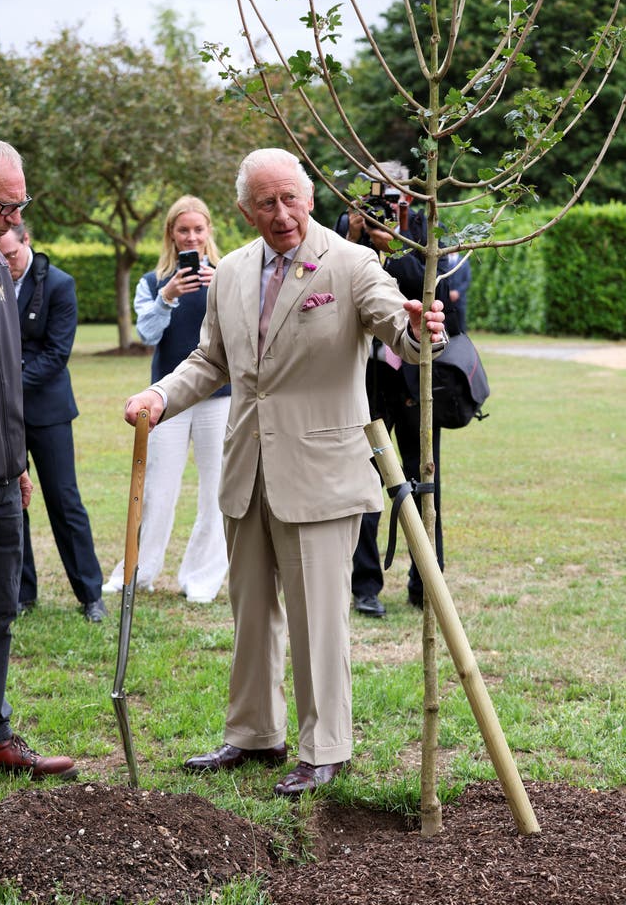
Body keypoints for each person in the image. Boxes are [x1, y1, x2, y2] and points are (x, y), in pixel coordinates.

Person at [122, 147, 447, 797]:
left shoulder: (353, 265)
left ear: (309, 199)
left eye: (290, 199)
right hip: (247, 470)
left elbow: (397, 327)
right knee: (250, 612)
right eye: (265, 203)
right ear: (245, 209)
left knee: (317, 617)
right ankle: (253, 734)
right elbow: (208, 360)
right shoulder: (233, 271)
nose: (281, 214)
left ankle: (325, 746)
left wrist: (421, 335)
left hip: (322, 474)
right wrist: (160, 396)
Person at [0, 137, 77, 779]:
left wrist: (17, 460)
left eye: (22, 204)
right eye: (7, 205)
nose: (16, 218)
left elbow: (4, 379)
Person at [334, 162, 460, 616]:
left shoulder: (424, 232)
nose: (385, 205)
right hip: (363, 380)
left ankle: (426, 583)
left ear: (407, 194)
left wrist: (399, 249)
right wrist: (356, 237)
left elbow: (438, 300)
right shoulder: (345, 234)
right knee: (362, 480)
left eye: (393, 194)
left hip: (414, 381)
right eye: (375, 195)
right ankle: (364, 584)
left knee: (424, 477)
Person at [102, 196, 230, 601]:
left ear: (208, 230)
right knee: (156, 487)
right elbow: (147, 335)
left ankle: (202, 579)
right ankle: (137, 571)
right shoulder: (152, 282)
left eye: (198, 229)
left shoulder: (229, 275)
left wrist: (219, 292)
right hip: (166, 398)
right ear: (171, 235)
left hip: (220, 396)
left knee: (217, 490)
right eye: (182, 230)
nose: (191, 236)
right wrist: (168, 297)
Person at [0, 222, 108, 623]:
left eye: (10, 254)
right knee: (9, 504)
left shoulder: (60, 284)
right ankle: (21, 594)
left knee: (64, 502)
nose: (5, 262)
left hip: (47, 412)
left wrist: (3, 383)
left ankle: (90, 593)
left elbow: (56, 354)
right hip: (2, 416)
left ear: (26, 241)